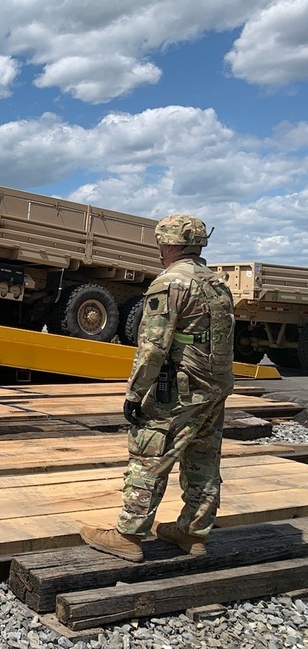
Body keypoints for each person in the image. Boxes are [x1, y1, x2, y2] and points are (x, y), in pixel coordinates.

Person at [80, 214, 235, 562]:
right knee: (203, 458)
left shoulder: (171, 283)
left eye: (160, 244)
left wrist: (135, 393)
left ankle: (129, 535)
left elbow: (153, 346)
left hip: (181, 388)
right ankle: (192, 533)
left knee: (149, 453)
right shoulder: (218, 284)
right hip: (214, 386)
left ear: (169, 244)